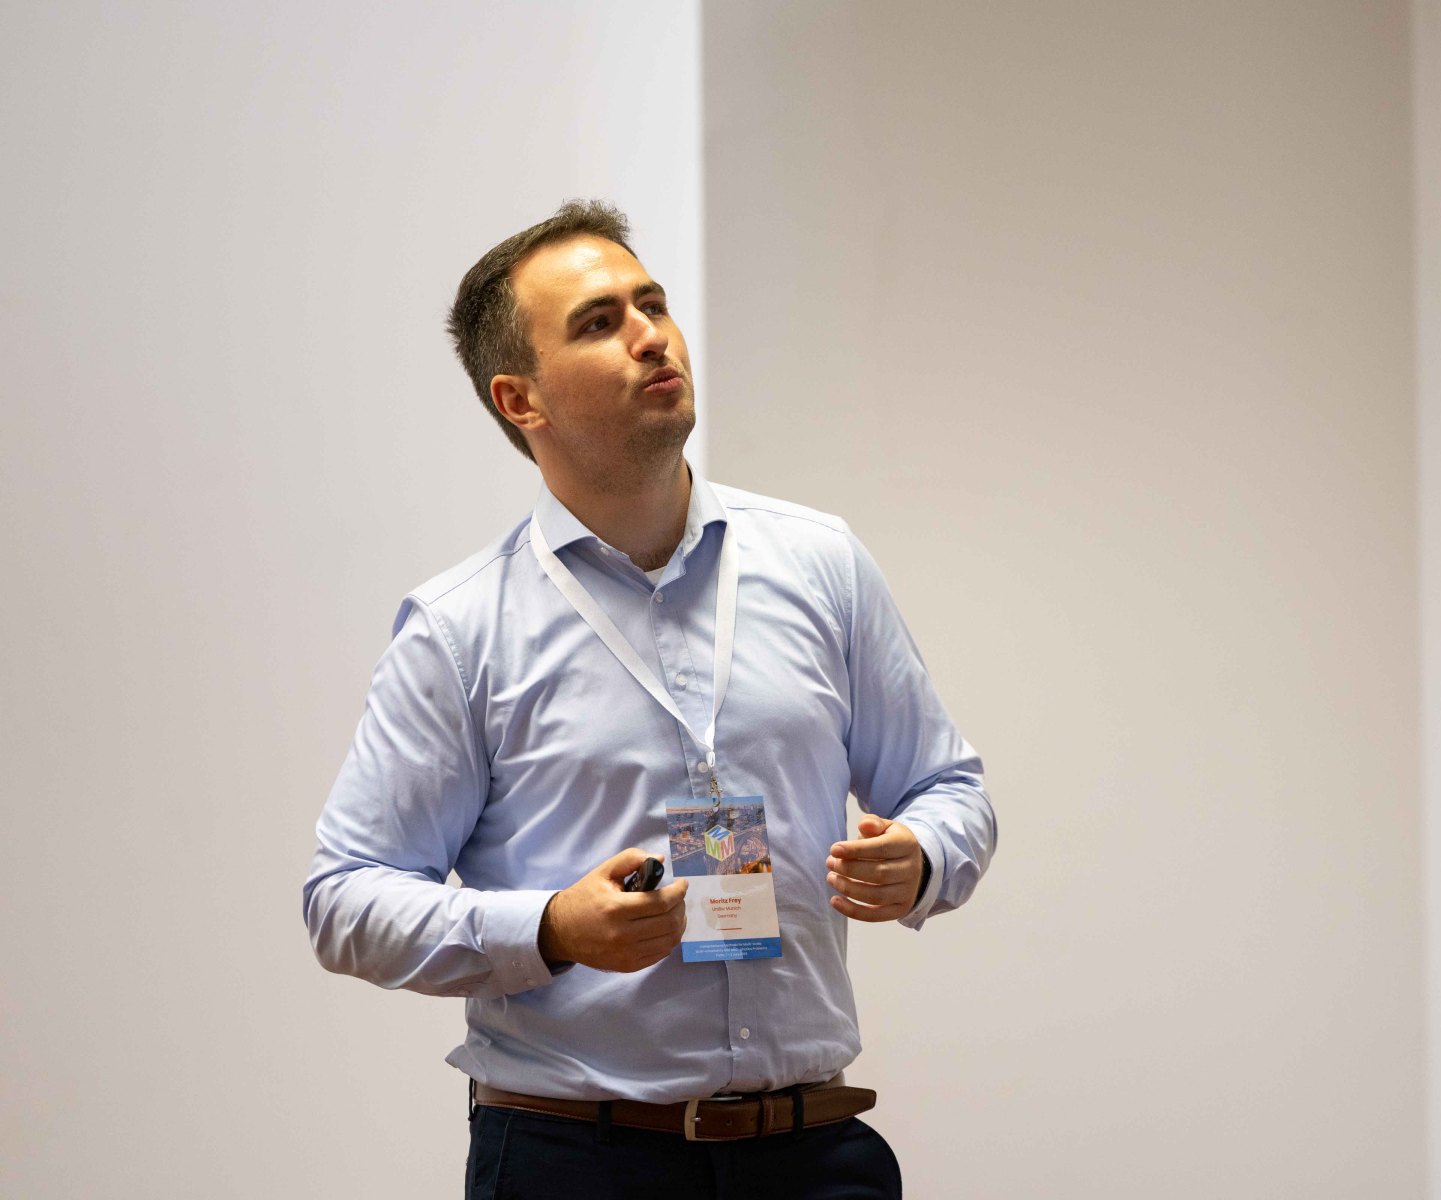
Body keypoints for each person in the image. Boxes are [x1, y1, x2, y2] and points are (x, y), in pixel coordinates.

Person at [302, 199, 997, 1199]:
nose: (650, 335)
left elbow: (949, 786)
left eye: (653, 304)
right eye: (599, 323)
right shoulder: (460, 631)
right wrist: (550, 929)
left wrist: (923, 855)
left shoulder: (821, 563)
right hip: (576, 1162)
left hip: (814, 1155)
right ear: (521, 399)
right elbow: (345, 899)